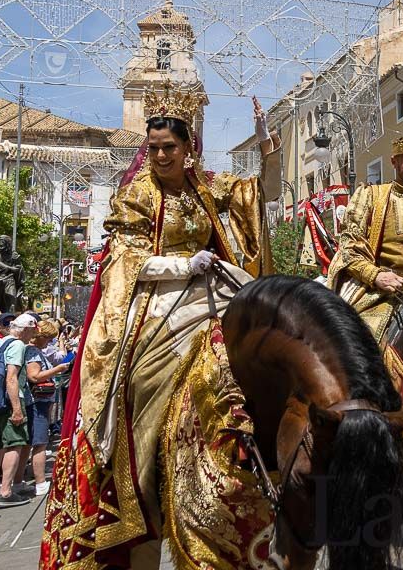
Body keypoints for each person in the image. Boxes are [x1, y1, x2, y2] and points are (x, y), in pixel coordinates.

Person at [43, 87, 279, 570]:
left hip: (214, 283)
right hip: (159, 295)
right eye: (152, 147)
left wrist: (266, 148)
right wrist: (181, 263)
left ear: (189, 148)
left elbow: (261, 196)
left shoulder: (206, 187)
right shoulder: (137, 193)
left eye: (169, 147)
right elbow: (127, 259)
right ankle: (138, 463)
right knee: (144, 374)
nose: (160, 155)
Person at [326, 136, 403, 339]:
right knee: (358, 341)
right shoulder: (371, 196)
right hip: (380, 291)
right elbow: (349, 247)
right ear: (394, 162)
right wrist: (375, 276)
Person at [0, 314, 37, 507]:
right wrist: (16, 409)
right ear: (24, 329)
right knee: (15, 444)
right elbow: (11, 378)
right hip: (9, 400)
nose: (32, 335)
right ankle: (6, 491)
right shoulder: (17, 345)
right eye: (31, 331)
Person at [25, 321, 70, 495]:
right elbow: (34, 376)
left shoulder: (35, 351)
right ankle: (40, 481)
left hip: (41, 401)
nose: (49, 342)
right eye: (49, 339)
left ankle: (22, 480)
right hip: (38, 401)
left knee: (35, 442)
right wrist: (57, 370)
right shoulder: (33, 352)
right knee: (40, 442)